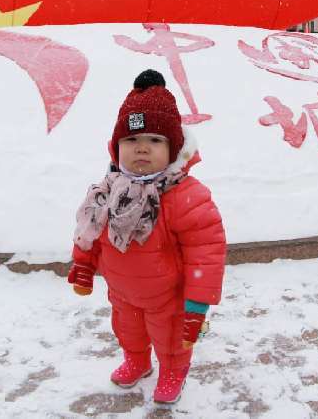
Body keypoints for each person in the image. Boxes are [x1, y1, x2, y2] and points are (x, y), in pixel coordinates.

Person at [67, 69, 226, 405]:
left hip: (167, 296)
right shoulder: (107, 191)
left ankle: (172, 372)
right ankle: (137, 362)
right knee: (128, 332)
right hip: (122, 291)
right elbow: (91, 231)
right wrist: (83, 264)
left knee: (169, 340)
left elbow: (206, 253)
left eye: (155, 141)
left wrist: (197, 304)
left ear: (173, 148)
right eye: (132, 141)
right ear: (116, 147)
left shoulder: (185, 195)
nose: (142, 149)